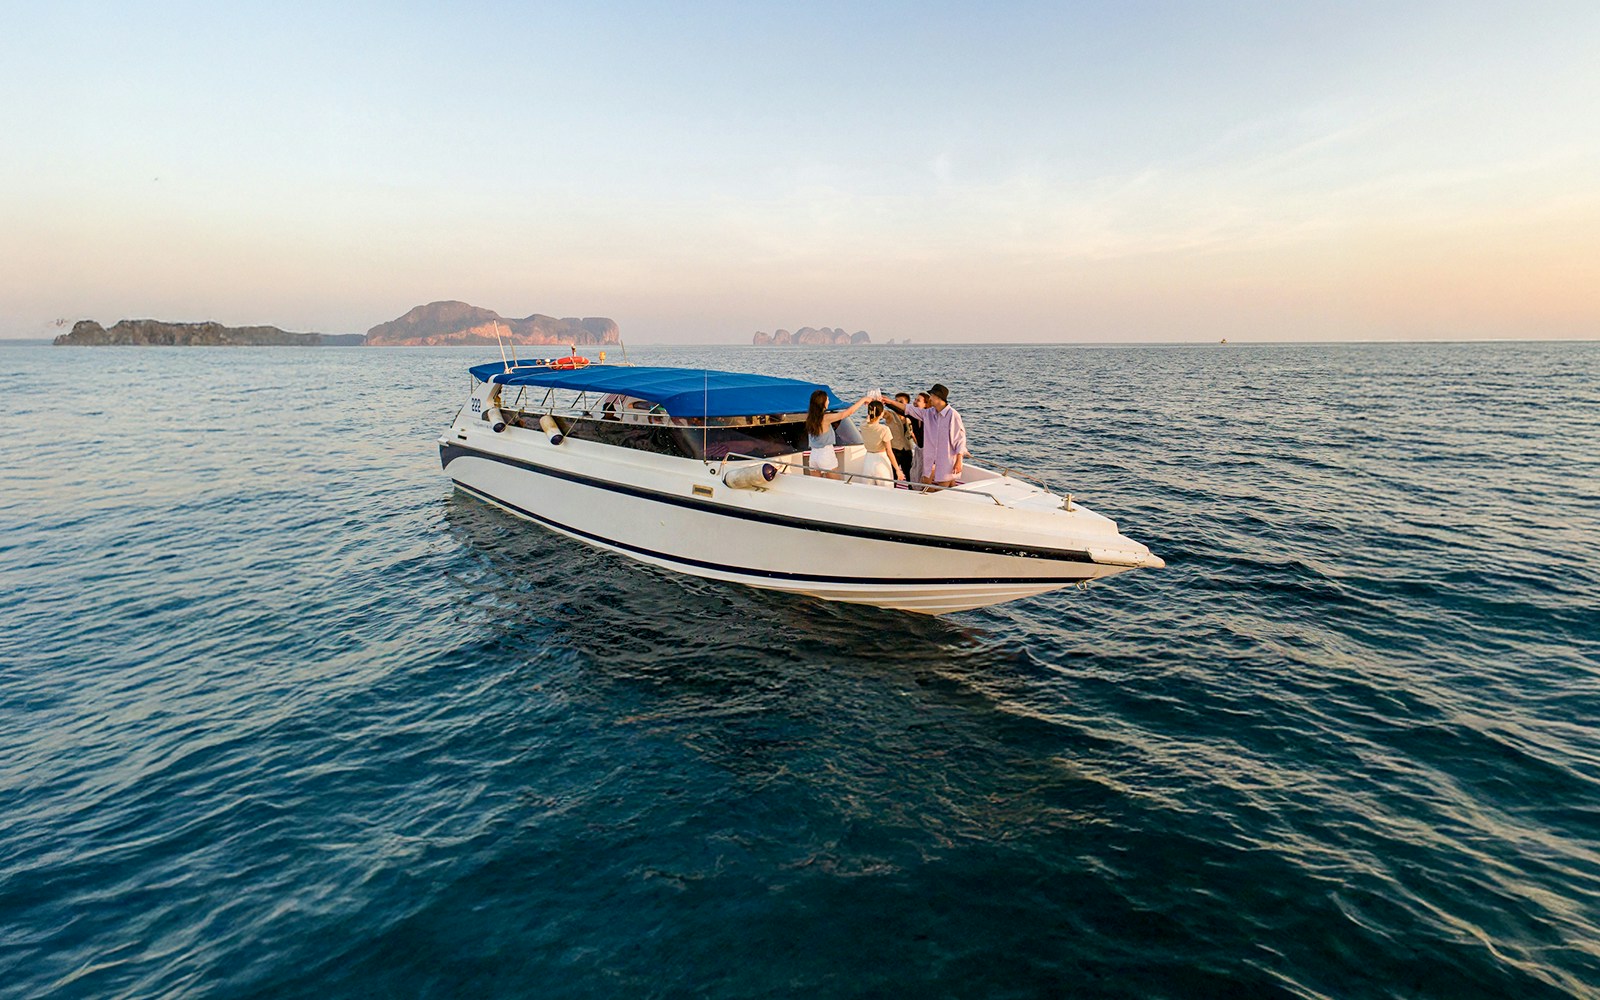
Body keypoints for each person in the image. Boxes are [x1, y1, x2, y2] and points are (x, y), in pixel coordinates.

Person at [882, 383, 965, 488]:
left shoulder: (953, 415)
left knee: (943, 488)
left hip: (947, 461)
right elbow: (908, 409)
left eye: (931, 396)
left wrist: (959, 460)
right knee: (926, 485)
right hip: (930, 458)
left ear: (937, 397)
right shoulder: (929, 413)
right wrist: (889, 401)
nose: (930, 398)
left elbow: (960, 439)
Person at [805, 389, 868, 480]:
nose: (828, 401)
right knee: (836, 484)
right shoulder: (825, 418)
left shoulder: (810, 417)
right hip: (826, 454)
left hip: (813, 455)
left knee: (816, 486)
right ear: (823, 403)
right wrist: (863, 399)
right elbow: (847, 413)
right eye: (827, 400)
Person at [859, 400, 903, 486]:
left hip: (868, 460)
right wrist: (897, 470)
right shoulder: (884, 429)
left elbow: (868, 420)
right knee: (886, 490)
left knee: (868, 491)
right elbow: (889, 452)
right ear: (882, 413)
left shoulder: (863, 425)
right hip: (881, 460)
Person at [885, 393, 914, 481]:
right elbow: (881, 413)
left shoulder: (911, 416)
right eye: (896, 401)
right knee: (893, 475)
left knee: (909, 474)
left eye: (900, 402)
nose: (897, 403)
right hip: (895, 449)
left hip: (907, 449)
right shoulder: (890, 415)